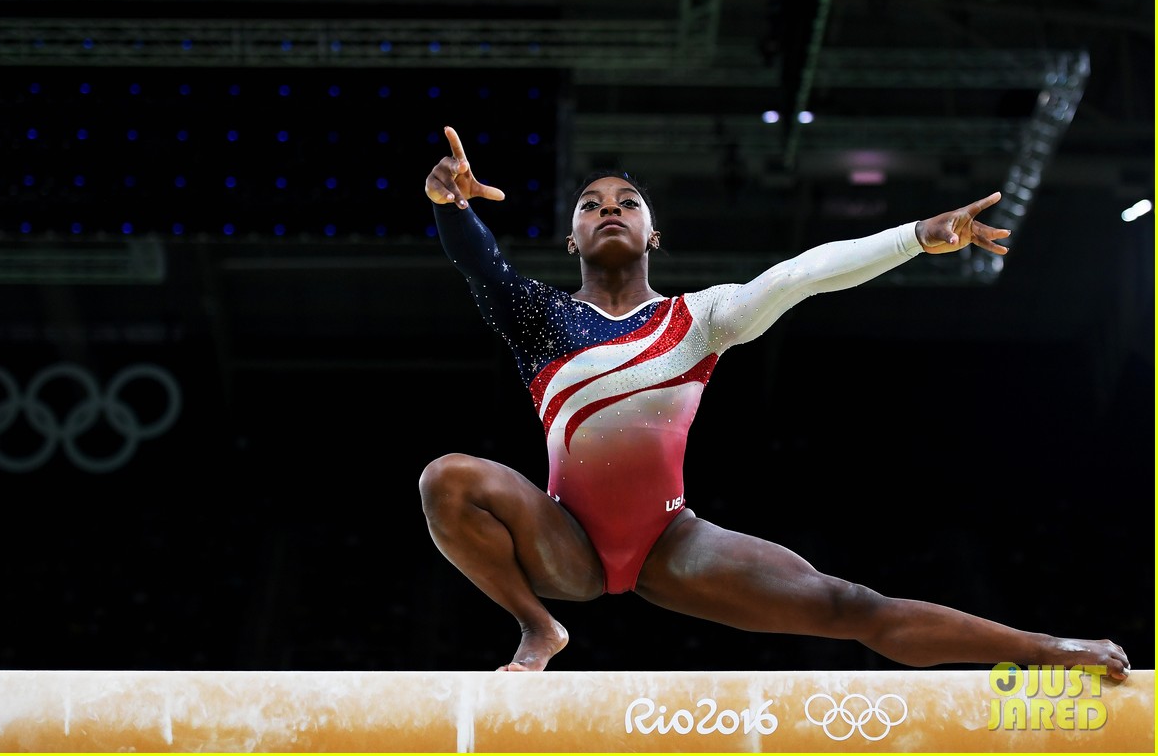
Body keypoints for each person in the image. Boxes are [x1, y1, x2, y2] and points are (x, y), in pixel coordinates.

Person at [418, 125, 1132, 680]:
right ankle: (538, 627)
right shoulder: (537, 317)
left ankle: (1048, 646)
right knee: (447, 479)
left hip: (671, 542)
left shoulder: (700, 317)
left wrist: (914, 237)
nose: (610, 211)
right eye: (591, 205)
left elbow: (801, 275)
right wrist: (451, 205)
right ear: (570, 234)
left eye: (628, 203)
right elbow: (481, 264)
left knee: (850, 604)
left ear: (653, 234)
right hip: (562, 540)